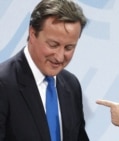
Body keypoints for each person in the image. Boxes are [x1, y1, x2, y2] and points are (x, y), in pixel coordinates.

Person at [0, 0, 89, 141]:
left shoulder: (71, 85)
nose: (60, 57)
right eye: (53, 45)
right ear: (33, 34)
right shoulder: (3, 83)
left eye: (69, 48)